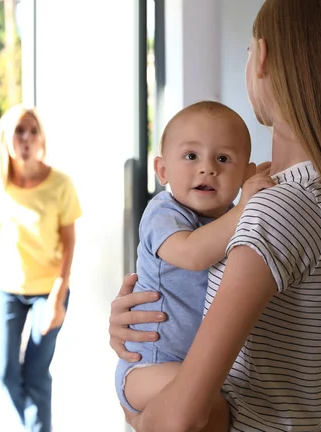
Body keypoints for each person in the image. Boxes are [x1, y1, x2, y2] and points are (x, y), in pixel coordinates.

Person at [109, 1, 321, 431]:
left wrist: (138, 415)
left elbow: (179, 419)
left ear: (261, 58)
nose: (207, 168)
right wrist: (145, 328)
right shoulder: (314, 195)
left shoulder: (275, 207)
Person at [114, 101, 274, 431]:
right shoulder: (165, 212)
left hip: (185, 366)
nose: (207, 169)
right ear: (162, 171)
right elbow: (192, 254)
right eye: (191, 156)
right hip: (148, 366)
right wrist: (243, 207)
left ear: (244, 173)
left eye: (223, 159)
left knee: (210, 404)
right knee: (204, 400)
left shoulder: (230, 216)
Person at [0, 105, 82, 431]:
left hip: (48, 289)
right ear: (6, 137)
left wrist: (59, 293)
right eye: (19, 131)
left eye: (32, 130)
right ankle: (33, 425)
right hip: (8, 289)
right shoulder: (0, 181)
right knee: (4, 373)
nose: (26, 138)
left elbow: (69, 241)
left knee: (36, 374)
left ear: (41, 137)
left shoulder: (60, 183)